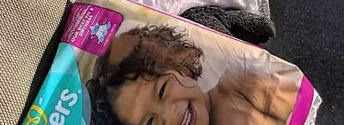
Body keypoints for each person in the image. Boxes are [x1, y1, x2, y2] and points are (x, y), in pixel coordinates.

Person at [87, 25, 301, 125]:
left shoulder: (236, 85)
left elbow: (298, 102)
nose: (168, 115)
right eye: (149, 122)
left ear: (179, 65)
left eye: (162, 91)